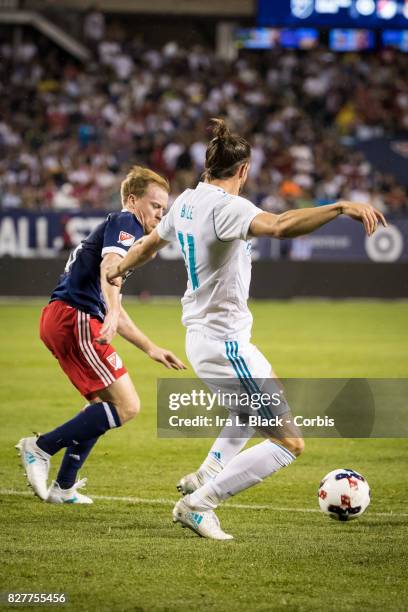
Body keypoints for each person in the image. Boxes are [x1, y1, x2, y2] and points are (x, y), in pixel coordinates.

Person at [106, 120, 387, 539]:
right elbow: (280, 225)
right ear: (243, 171)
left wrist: (120, 268)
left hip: (208, 336)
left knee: (249, 410)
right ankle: (199, 505)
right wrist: (340, 207)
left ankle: (205, 476)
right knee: (288, 443)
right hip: (224, 343)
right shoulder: (226, 207)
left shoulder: (186, 202)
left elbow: (149, 244)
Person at [16, 166, 186, 504]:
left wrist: (150, 347)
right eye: (155, 205)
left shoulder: (125, 234)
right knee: (127, 406)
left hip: (64, 317)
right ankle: (40, 447)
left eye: (164, 208)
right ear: (132, 199)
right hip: (74, 317)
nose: (160, 213)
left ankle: (63, 488)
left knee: (100, 407)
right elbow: (109, 271)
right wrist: (107, 312)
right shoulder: (126, 223)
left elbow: (116, 304)